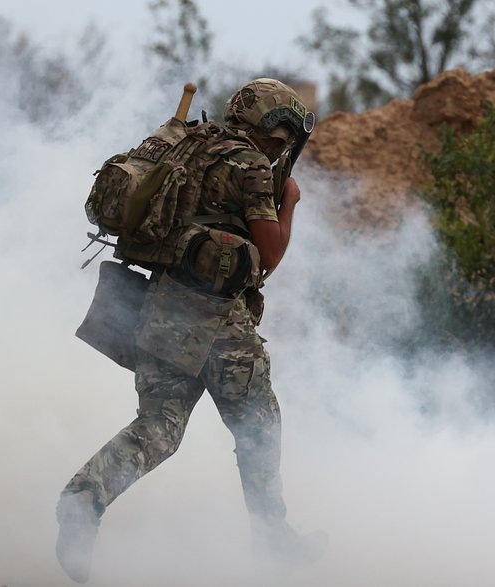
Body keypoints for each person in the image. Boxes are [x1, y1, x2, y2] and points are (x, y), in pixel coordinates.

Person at [56, 78, 326, 583]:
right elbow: (268, 257)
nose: (282, 145)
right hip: (218, 321)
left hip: (158, 309)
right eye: (282, 134)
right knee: (260, 428)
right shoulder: (248, 166)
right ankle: (273, 540)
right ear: (269, 125)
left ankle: (83, 497)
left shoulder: (190, 144)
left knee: (158, 428)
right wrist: (288, 200)